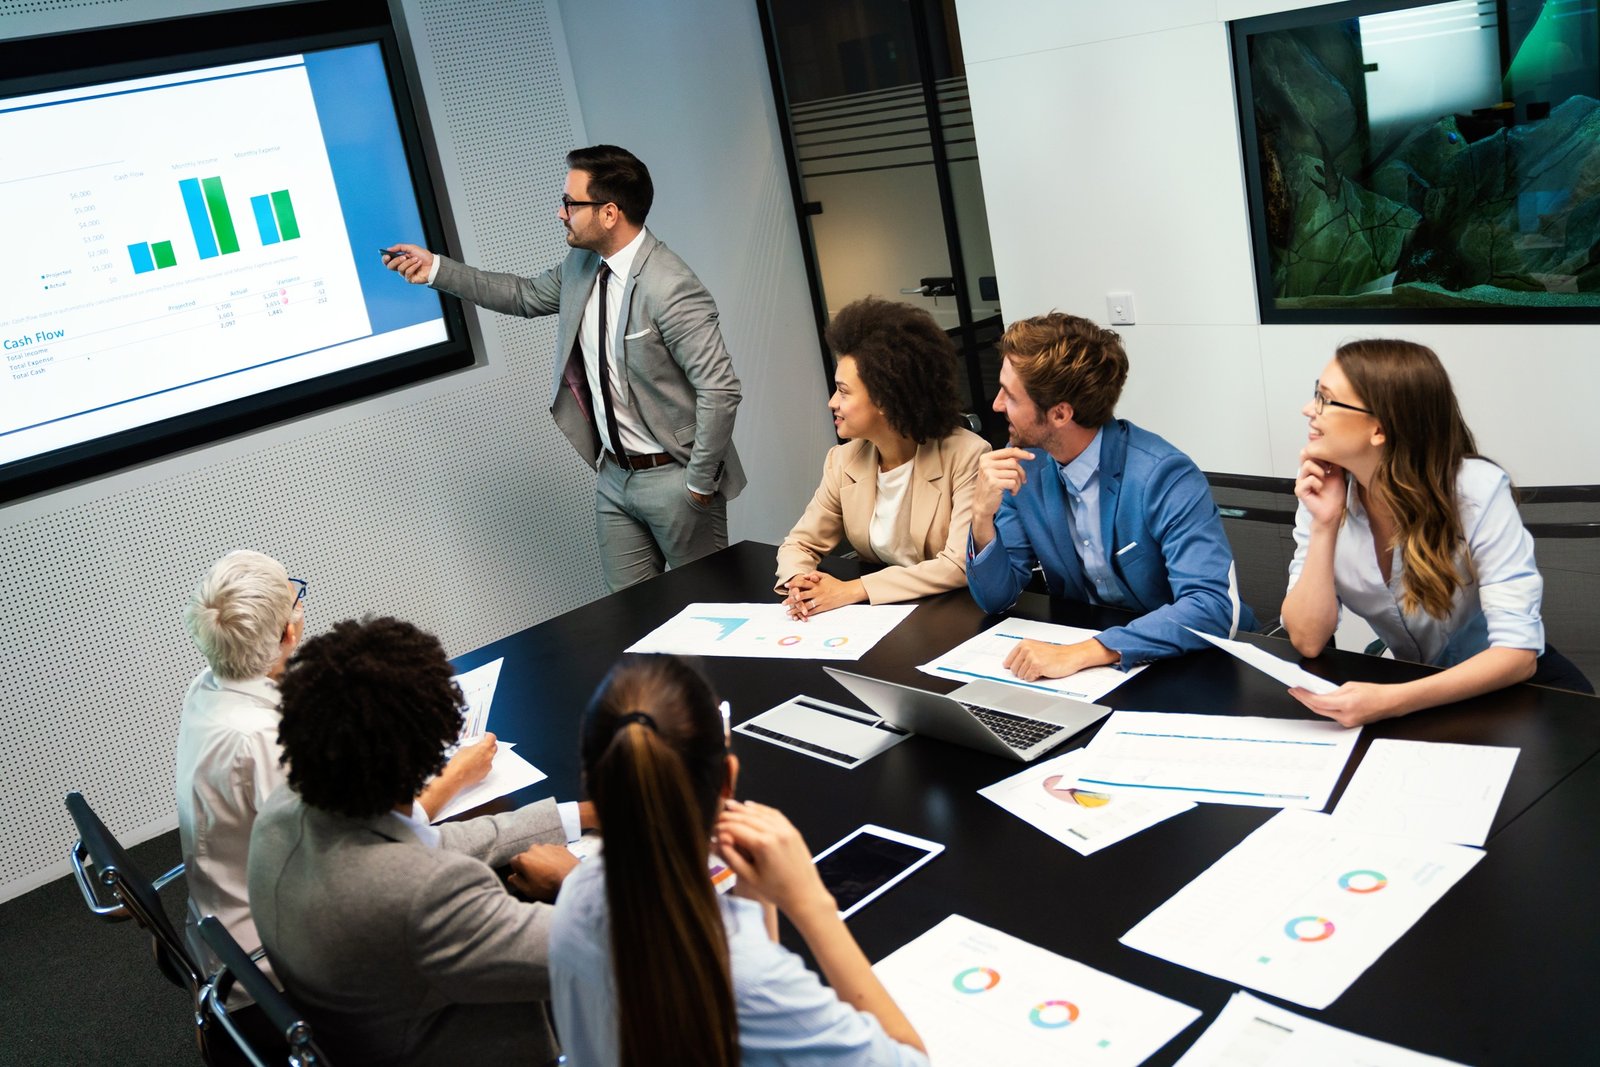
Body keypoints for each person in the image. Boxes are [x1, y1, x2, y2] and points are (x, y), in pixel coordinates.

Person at [384, 145, 743, 592]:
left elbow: (720, 389)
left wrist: (698, 483)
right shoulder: (582, 264)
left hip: (675, 480)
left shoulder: (671, 287)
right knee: (632, 622)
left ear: (609, 213)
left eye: (571, 203)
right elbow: (522, 295)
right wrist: (435, 268)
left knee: (711, 614)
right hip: (614, 479)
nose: (561, 212)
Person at [549, 655, 928, 1067]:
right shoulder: (750, 980)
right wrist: (811, 904)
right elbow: (907, 1060)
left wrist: (754, 900)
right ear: (727, 778)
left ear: (596, 785)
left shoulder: (576, 894)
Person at [247, 616, 590, 1066]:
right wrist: (576, 881)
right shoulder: (426, 898)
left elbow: (416, 844)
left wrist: (577, 815)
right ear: (430, 756)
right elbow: (600, 956)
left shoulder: (283, 811)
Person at [176, 551, 493, 975]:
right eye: (295, 595)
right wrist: (455, 776)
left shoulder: (207, 686)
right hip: (276, 958)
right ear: (289, 632)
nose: (299, 601)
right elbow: (361, 851)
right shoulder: (264, 742)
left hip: (226, 915)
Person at [1281, 339, 1591, 726]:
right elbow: (1308, 639)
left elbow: (1518, 654)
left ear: (1378, 428)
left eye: (1325, 399)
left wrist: (1392, 700)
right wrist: (1325, 525)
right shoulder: (1323, 491)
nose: (1309, 410)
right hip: (1420, 693)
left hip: (1522, 697)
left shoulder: (1477, 490)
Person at [967, 312, 1252, 680]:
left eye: (1010, 394)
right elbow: (996, 598)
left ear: (1060, 414)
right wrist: (980, 518)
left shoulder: (1163, 475)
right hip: (1092, 673)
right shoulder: (1027, 464)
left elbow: (1210, 606)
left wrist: (1088, 651)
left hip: (1195, 666)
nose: (996, 404)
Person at [775, 297, 987, 617]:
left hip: (951, 613)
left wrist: (851, 590)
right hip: (882, 617)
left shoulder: (967, 456)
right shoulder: (843, 460)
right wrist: (799, 583)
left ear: (886, 399)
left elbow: (957, 565)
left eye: (844, 392)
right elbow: (799, 544)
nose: (832, 402)